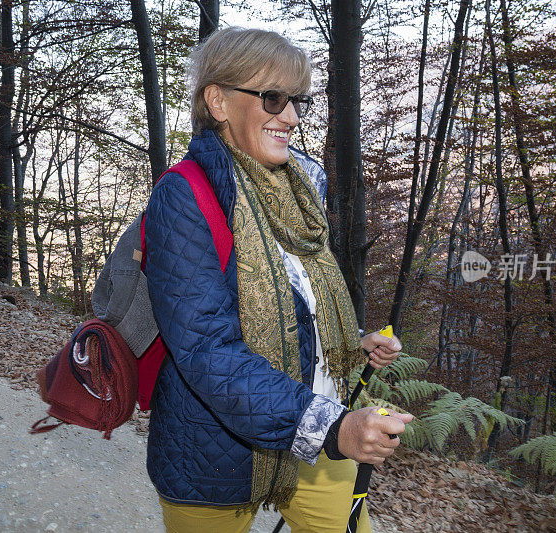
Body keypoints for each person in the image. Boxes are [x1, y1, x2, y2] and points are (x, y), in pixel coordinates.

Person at [143, 27, 412, 533]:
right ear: (218, 101)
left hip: (311, 440)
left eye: (295, 101)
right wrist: (332, 427)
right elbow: (206, 349)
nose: (289, 116)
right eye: (272, 98)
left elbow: (295, 310)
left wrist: (350, 345)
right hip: (214, 457)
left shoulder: (301, 193)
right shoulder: (184, 198)